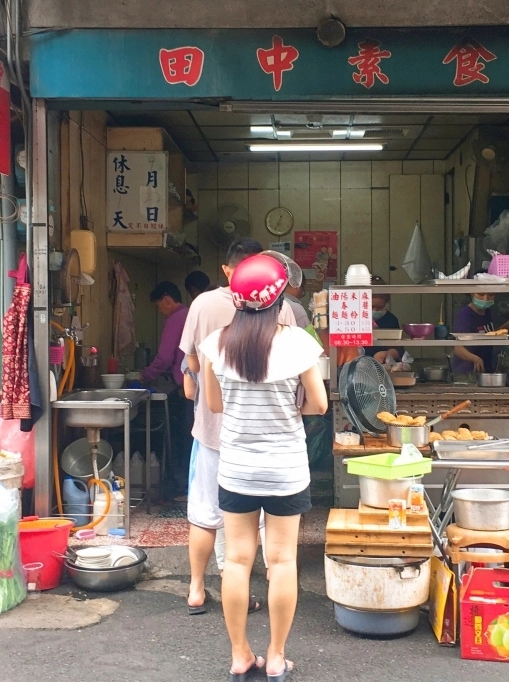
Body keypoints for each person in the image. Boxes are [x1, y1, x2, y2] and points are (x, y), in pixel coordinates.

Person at [200, 253, 327, 682]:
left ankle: (240, 656)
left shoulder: (215, 344)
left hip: (236, 468)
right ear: (279, 301)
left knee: (236, 561)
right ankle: (275, 657)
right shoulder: (297, 344)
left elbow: (214, 404)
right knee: (282, 562)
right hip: (286, 470)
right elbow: (319, 405)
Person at [179, 239, 297, 618]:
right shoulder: (285, 310)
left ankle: (197, 589)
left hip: (213, 431)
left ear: (229, 270)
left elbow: (192, 367)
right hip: (267, 437)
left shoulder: (201, 305)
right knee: (262, 528)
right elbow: (297, 378)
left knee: (204, 514)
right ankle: (256, 592)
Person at [140, 281, 191, 501]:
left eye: (160, 306)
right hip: (195, 385)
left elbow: (165, 357)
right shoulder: (190, 313)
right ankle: (189, 486)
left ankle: (183, 486)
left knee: (182, 439)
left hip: (185, 387)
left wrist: (145, 375)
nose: (160, 312)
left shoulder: (175, 319)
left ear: (167, 299)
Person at [451, 293, 509, 374]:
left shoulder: (486, 312)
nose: (485, 299)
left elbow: (488, 334)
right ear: (472, 293)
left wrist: (507, 325)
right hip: (468, 372)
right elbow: (458, 348)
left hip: (485, 369)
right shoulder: (465, 315)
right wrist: (475, 359)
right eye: (481, 294)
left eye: (490, 295)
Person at [364, 276, 403, 365]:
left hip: (381, 369)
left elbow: (398, 350)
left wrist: (386, 354)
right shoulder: (353, 319)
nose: (374, 311)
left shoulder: (390, 320)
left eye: (379, 307)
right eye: (371, 306)